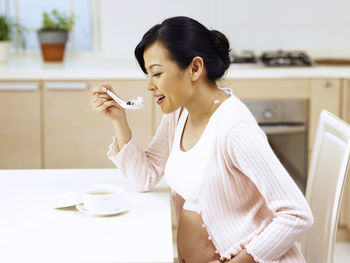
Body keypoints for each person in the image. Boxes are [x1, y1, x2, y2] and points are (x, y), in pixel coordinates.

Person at [90, 16, 314, 263]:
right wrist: (118, 120)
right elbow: (144, 176)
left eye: (156, 73)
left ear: (195, 68)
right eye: (148, 75)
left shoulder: (234, 127)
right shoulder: (179, 113)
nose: (149, 86)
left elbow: (297, 214)